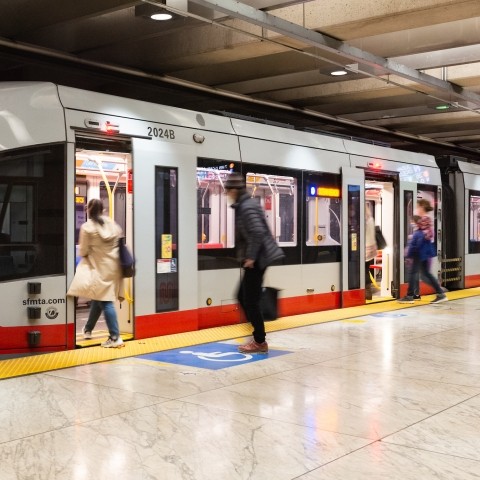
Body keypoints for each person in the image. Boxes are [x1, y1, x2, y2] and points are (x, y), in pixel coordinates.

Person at [225, 172, 285, 353]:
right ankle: (257, 336)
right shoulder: (245, 204)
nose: (227, 194)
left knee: (249, 300)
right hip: (258, 258)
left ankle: (259, 341)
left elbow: (257, 232)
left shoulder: (246, 206)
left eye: (228, 190)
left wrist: (251, 256)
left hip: (258, 259)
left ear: (235, 190)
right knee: (244, 297)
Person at [67, 198, 125, 347]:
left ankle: (115, 337)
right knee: (98, 297)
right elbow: (120, 239)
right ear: (102, 210)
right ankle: (88, 329)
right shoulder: (111, 223)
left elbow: (83, 251)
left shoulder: (87, 228)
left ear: (88, 211)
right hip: (114, 267)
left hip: (99, 268)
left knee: (105, 301)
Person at [398, 200, 447, 304]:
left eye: (418, 207)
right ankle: (439, 293)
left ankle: (410, 296)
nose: (416, 209)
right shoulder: (424, 220)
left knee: (414, 273)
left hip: (420, 251)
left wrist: (411, 249)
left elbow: (422, 236)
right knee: (424, 273)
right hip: (423, 251)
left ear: (422, 207)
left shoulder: (424, 220)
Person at [365, 203, 377, 300]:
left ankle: (367, 292)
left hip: (365, 250)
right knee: (366, 270)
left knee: (364, 271)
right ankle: (368, 292)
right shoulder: (371, 219)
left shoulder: (365, 221)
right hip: (370, 250)